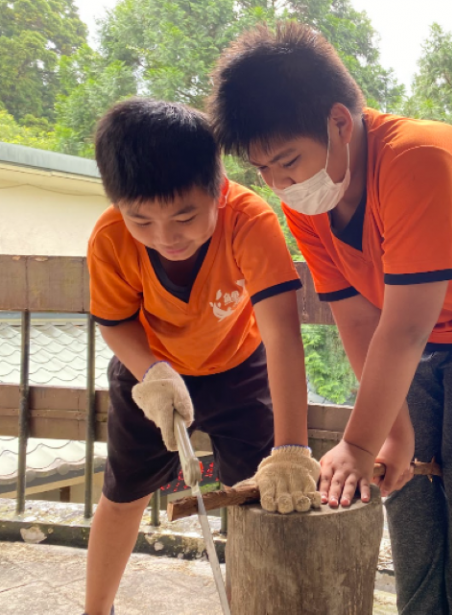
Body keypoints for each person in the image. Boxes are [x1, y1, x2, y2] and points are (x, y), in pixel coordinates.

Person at [207, 22, 452, 615]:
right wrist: (390, 435)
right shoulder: (307, 204)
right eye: (261, 169)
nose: (279, 184)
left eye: (288, 161)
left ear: (340, 122)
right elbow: (359, 323)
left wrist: (356, 439)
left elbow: (402, 330)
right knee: (406, 485)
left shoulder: (419, 160)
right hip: (416, 331)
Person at [84, 98, 320, 615]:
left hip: (240, 368)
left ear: (219, 190)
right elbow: (114, 319)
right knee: (123, 495)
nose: (166, 238)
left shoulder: (251, 221)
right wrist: (151, 371)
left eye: (186, 216)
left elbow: (281, 333)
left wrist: (292, 448)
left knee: (258, 501)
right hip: (153, 371)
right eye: (141, 220)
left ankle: (254, 607)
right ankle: (95, 610)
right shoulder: (108, 236)